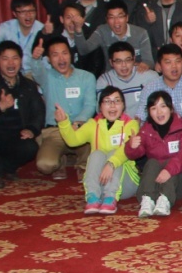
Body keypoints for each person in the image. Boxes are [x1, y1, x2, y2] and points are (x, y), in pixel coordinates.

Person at [55, 86, 140, 215]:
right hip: (101, 182)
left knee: (113, 152)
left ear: (123, 105)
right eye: (107, 101)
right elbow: (73, 141)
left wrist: (111, 164)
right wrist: (64, 123)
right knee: (97, 154)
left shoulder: (131, 124)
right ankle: (93, 197)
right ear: (100, 107)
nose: (112, 105)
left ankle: (110, 198)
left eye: (117, 101)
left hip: (124, 184)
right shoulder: (93, 124)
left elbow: (125, 150)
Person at [0, 40, 44, 187]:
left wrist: (31, 129)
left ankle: (8, 168)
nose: (11, 63)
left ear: (21, 61)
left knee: (31, 147)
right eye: (5, 59)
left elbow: (39, 112)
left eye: (15, 58)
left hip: (16, 134)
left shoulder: (28, 85)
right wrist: (0, 107)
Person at [29, 37, 97, 178]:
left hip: (80, 128)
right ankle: (61, 161)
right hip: (56, 131)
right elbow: (37, 71)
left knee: (95, 142)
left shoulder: (87, 77)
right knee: (45, 165)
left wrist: (78, 122)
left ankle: (82, 165)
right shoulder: (46, 77)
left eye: (64, 53)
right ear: (48, 59)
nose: (61, 58)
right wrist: (35, 59)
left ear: (71, 55)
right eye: (55, 55)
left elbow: (90, 105)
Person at [124, 90, 182, 218]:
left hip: (180, 183)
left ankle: (165, 200)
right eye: (154, 108)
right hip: (156, 182)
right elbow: (134, 154)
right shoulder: (146, 130)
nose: (159, 112)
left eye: (163, 106)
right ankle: (148, 200)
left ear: (171, 109)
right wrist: (131, 146)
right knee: (151, 162)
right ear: (149, 112)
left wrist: (169, 170)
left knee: (171, 161)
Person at [138, 44, 182, 123]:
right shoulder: (150, 88)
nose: (174, 66)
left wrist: (178, 127)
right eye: (168, 62)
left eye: (178, 61)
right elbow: (141, 115)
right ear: (159, 65)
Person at [0, 0, 43, 72]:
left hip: (34, 73)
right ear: (14, 14)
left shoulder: (41, 29)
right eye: (23, 12)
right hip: (10, 71)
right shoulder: (6, 28)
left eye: (31, 11)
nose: (28, 15)